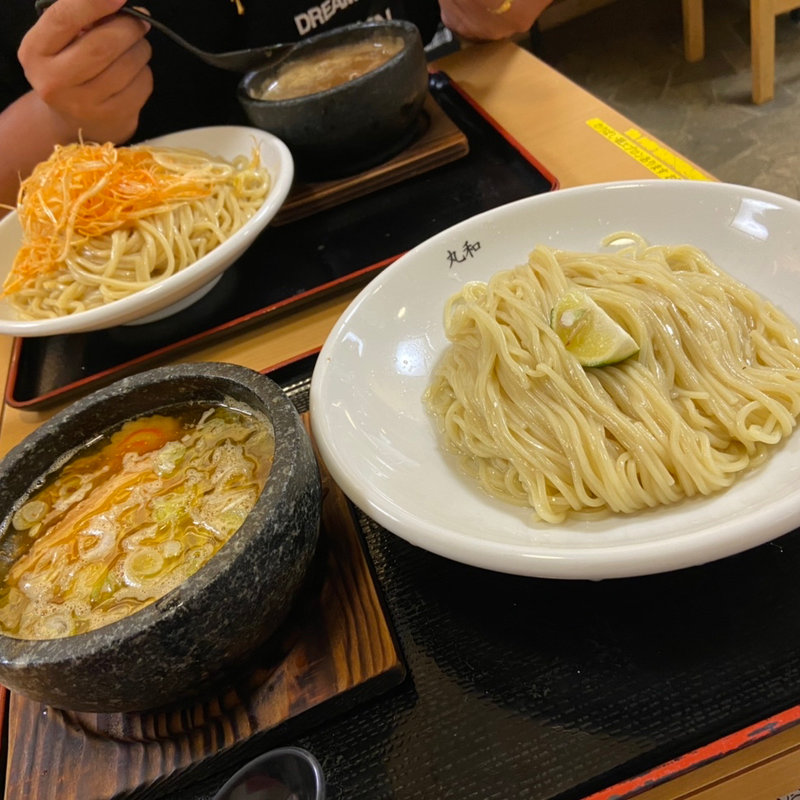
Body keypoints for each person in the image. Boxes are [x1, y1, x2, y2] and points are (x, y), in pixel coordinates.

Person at [0, 0, 553, 212]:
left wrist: (490, 9)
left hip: (441, 166)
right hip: (172, 248)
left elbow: (481, 13)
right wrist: (64, 121)